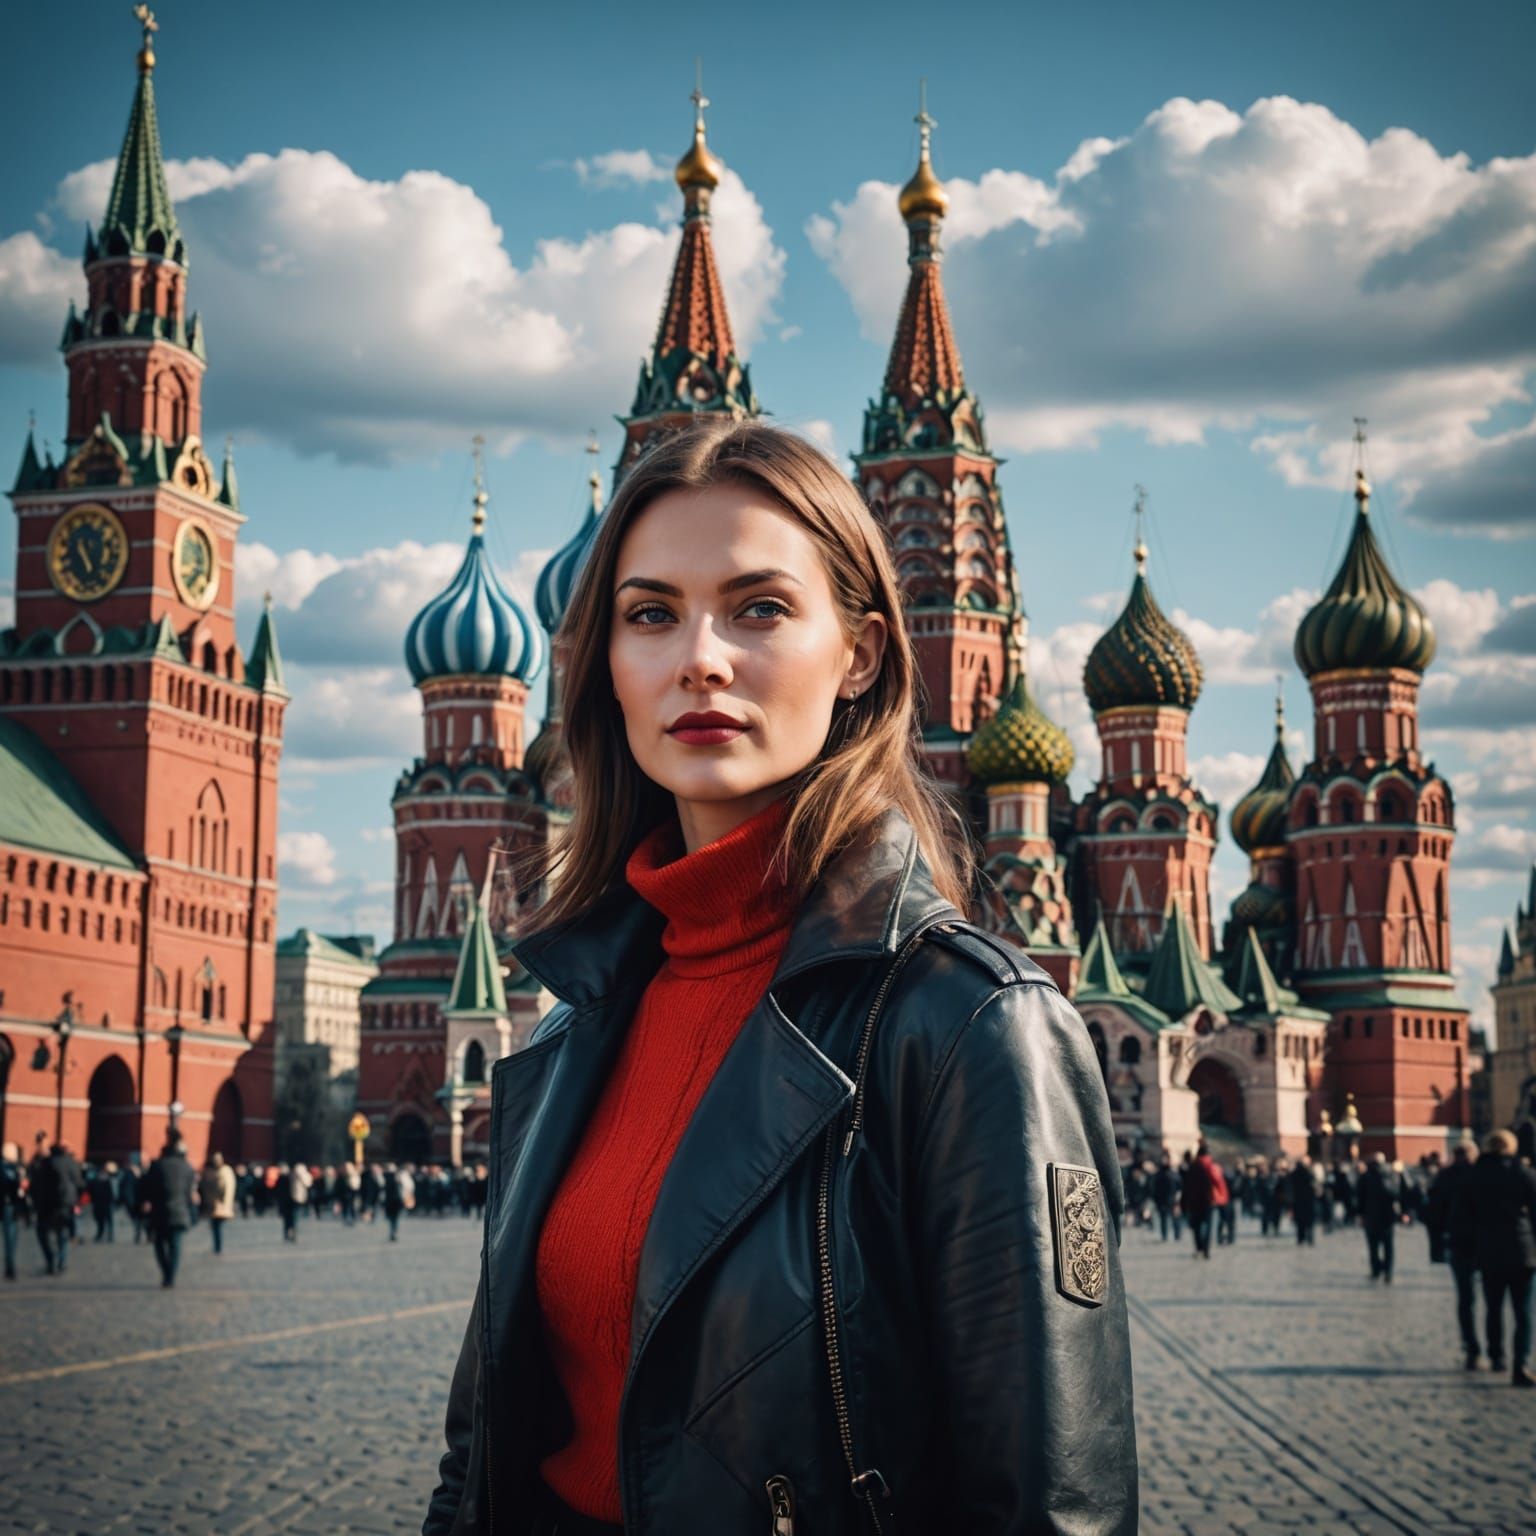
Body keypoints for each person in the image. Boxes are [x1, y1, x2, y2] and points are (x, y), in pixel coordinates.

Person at [421, 421, 1137, 1536]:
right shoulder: (572, 1032)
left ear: (859, 653)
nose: (700, 658)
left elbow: (1056, 1506)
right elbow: (483, 1453)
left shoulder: (969, 1025)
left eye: (758, 608)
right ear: (605, 667)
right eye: (650, 614)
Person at [1467, 1128, 1536, 1386]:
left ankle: (1497, 1357)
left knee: (1493, 1308)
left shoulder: (1475, 1175)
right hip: (1521, 1250)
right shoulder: (1523, 1173)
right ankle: (1521, 1364)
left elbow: (1465, 1213)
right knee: (1523, 1312)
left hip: (1489, 1251)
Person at [1428, 1139, 1481, 1367]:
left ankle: (1471, 1347)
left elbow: (1432, 1214)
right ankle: (1497, 1352)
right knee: (1494, 1298)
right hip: (1484, 1243)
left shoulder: (1444, 1177)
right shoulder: (1481, 1175)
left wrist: (1437, 1248)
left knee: (1465, 1298)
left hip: (1456, 1242)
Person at [140, 1135, 197, 1287]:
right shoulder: (187, 1167)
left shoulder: (158, 1166)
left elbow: (147, 1187)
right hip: (179, 1211)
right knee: (175, 1246)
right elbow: (189, 1192)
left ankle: (166, 1272)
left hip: (160, 1212)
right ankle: (171, 1276)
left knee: (159, 1244)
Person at [31, 1141, 83, 1276]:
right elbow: (79, 1182)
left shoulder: (43, 1163)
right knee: (62, 1234)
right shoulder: (70, 1162)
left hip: (45, 1205)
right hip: (65, 1204)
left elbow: (34, 1184)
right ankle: (61, 1262)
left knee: (43, 1234)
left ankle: (51, 1261)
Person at [1358, 1151, 1402, 1282]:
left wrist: (1360, 1214)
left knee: (1373, 1246)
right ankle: (1388, 1271)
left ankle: (1376, 1270)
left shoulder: (1366, 1176)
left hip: (1371, 1215)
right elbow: (1398, 1193)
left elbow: (1360, 1197)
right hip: (1387, 1217)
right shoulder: (1391, 1174)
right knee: (1388, 1246)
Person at [1181, 1140, 1228, 1260]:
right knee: (1208, 1226)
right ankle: (1206, 1250)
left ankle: (1199, 1248)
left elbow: (1186, 1186)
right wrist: (1222, 1198)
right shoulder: (1212, 1166)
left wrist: (1184, 1203)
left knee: (1196, 1226)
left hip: (1194, 1201)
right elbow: (1219, 1183)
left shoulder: (1193, 1167)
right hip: (1209, 1200)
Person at [199, 1151, 236, 1254]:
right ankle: (217, 1246)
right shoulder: (211, 1171)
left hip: (220, 1204)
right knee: (215, 1226)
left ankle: (218, 1247)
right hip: (212, 1203)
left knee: (217, 1226)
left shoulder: (225, 1171)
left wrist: (225, 1202)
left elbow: (228, 1188)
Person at [0, 1141, 24, 1280]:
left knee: (11, 1237)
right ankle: (10, 1267)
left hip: (10, 1205)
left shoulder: (14, 1168)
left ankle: (10, 1266)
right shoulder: (11, 1169)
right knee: (10, 1237)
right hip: (10, 1205)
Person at [1151, 1149, 1181, 1241]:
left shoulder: (1173, 1173)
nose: (1164, 1160)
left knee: (1175, 1217)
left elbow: (1178, 1187)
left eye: (1166, 1159)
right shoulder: (1158, 1174)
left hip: (1172, 1199)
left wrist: (1177, 1199)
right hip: (1162, 1199)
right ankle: (1164, 1235)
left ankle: (1177, 1235)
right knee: (1163, 1217)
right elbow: (1154, 1187)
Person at [1289, 1155, 1318, 1245]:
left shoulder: (1294, 1174)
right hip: (1308, 1201)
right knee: (1309, 1222)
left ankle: (1300, 1238)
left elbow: (1290, 1188)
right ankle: (1309, 1238)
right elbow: (1314, 1186)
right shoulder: (1308, 1173)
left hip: (1298, 1202)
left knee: (1300, 1222)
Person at [87, 1160, 117, 1242]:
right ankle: (104, 1235)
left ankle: (107, 1236)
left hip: (104, 1203)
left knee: (106, 1220)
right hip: (101, 1203)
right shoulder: (98, 1181)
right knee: (102, 1221)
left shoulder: (101, 1180)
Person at [382, 1163, 406, 1241]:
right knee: (393, 1219)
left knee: (393, 1219)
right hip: (393, 1201)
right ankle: (393, 1232)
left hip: (393, 1201)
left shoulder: (392, 1177)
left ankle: (393, 1232)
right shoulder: (391, 1177)